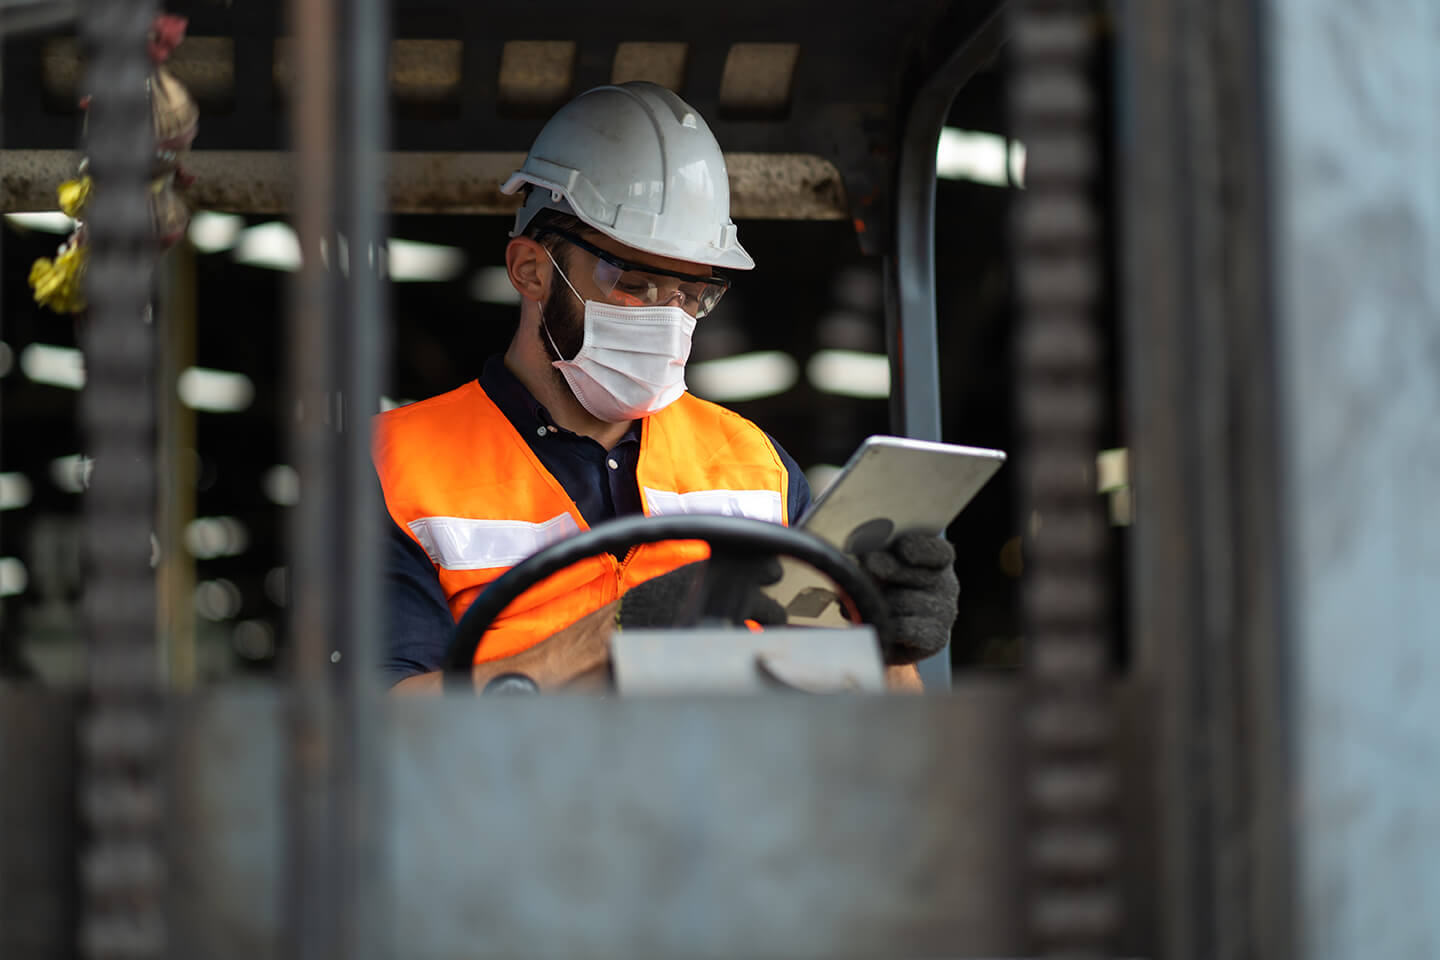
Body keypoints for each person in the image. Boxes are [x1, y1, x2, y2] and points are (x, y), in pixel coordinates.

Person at [374, 81, 958, 694]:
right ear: (531, 270)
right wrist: (617, 635)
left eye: (692, 294)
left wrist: (887, 648)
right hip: (510, 787)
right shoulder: (400, 466)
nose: (669, 317)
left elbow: (877, 726)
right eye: (636, 283)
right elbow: (377, 729)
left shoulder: (758, 470)